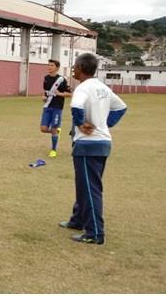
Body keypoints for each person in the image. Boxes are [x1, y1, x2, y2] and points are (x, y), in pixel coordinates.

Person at [59, 53, 127, 245]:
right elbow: (121, 107)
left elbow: (76, 107)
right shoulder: (103, 88)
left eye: (74, 66)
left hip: (88, 144)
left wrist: (82, 124)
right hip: (102, 143)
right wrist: (105, 124)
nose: (73, 68)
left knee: (90, 188)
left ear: (81, 67)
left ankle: (95, 233)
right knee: (85, 185)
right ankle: (77, 220)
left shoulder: (83, 88)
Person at [40, 59, 71, 158]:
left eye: (52, 65)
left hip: (57, 107)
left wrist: (59, 94)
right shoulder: (46, 78)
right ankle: (56, 131)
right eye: (48, 65)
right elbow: (45, 91)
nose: (49, 67)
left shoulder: (62, 80)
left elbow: (69, 93)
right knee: (43, 129)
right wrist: (44, 97)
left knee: (53, 128)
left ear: (57, 68)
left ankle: (53, 150)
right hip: (47, 106)